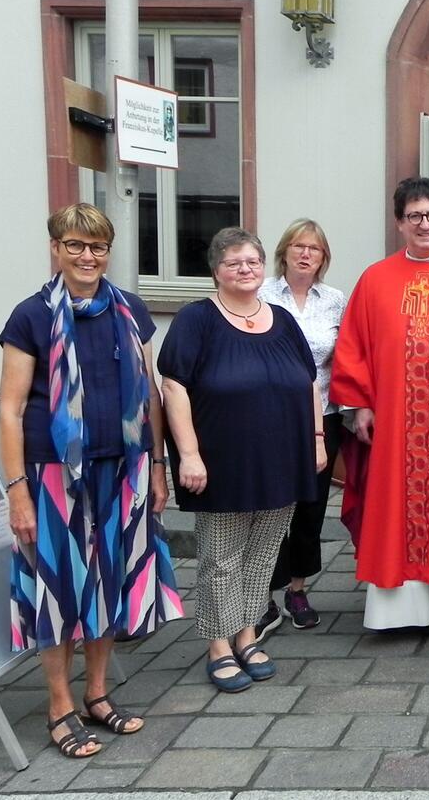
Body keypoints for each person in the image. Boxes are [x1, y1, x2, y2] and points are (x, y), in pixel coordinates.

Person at [0, 203, 182, 757]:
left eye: (97, 246)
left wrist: (156, 465)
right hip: (53, 476)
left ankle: (96, 695)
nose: (87, 256)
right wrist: (17, 492)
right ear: (56, 248)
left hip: (121, 469)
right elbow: (8, 411)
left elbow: (148, 392)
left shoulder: (129, 309)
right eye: (75, 245)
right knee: (58, 591)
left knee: (109, 582)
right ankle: (58, 705)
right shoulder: (31, 316)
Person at [160, 227, 325, 693]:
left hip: (282, 459)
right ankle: (217, 644)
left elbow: (308, 383)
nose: (246, 269)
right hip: (222, 462)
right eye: (234, 263)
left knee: (262, 555)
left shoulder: (281, 319)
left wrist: (315, 440)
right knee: (221, 558)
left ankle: (248, 633)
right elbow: (174, 387)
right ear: (216, 270)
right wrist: (188, 454)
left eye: (252, 261)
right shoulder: (197, 320)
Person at [330, 178, 429, 632]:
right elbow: (355, 344)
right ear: (399, 222)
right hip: (394, 420)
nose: (426, 224)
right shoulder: (375, 277)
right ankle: (397, 610)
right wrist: (361, 404)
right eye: (415, 215)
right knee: (393, 506)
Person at [249, 219, 346, 639]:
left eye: (315, 249)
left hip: (323, 415)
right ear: (284, 251)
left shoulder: (335, 300)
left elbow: (347, 356)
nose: (306, 254)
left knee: (311, 505)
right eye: (298, 246)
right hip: (271, 417)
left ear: (324, 258)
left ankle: (298, 588)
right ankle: (263, 595)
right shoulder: (261, 294)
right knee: (271, 506)